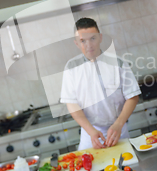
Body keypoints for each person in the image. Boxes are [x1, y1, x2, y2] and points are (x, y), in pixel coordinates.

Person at [60, 18, 141, 150]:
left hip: (118, 130)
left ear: (100, 38)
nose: (89, 45)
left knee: (127, 167)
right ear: (76, 43)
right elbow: (72, 104)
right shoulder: (71, 67)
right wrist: (91, 131)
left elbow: (132, 96)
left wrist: (118, 125)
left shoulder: (119, 63)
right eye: (83, 41)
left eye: (93, 38)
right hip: (90, 134)